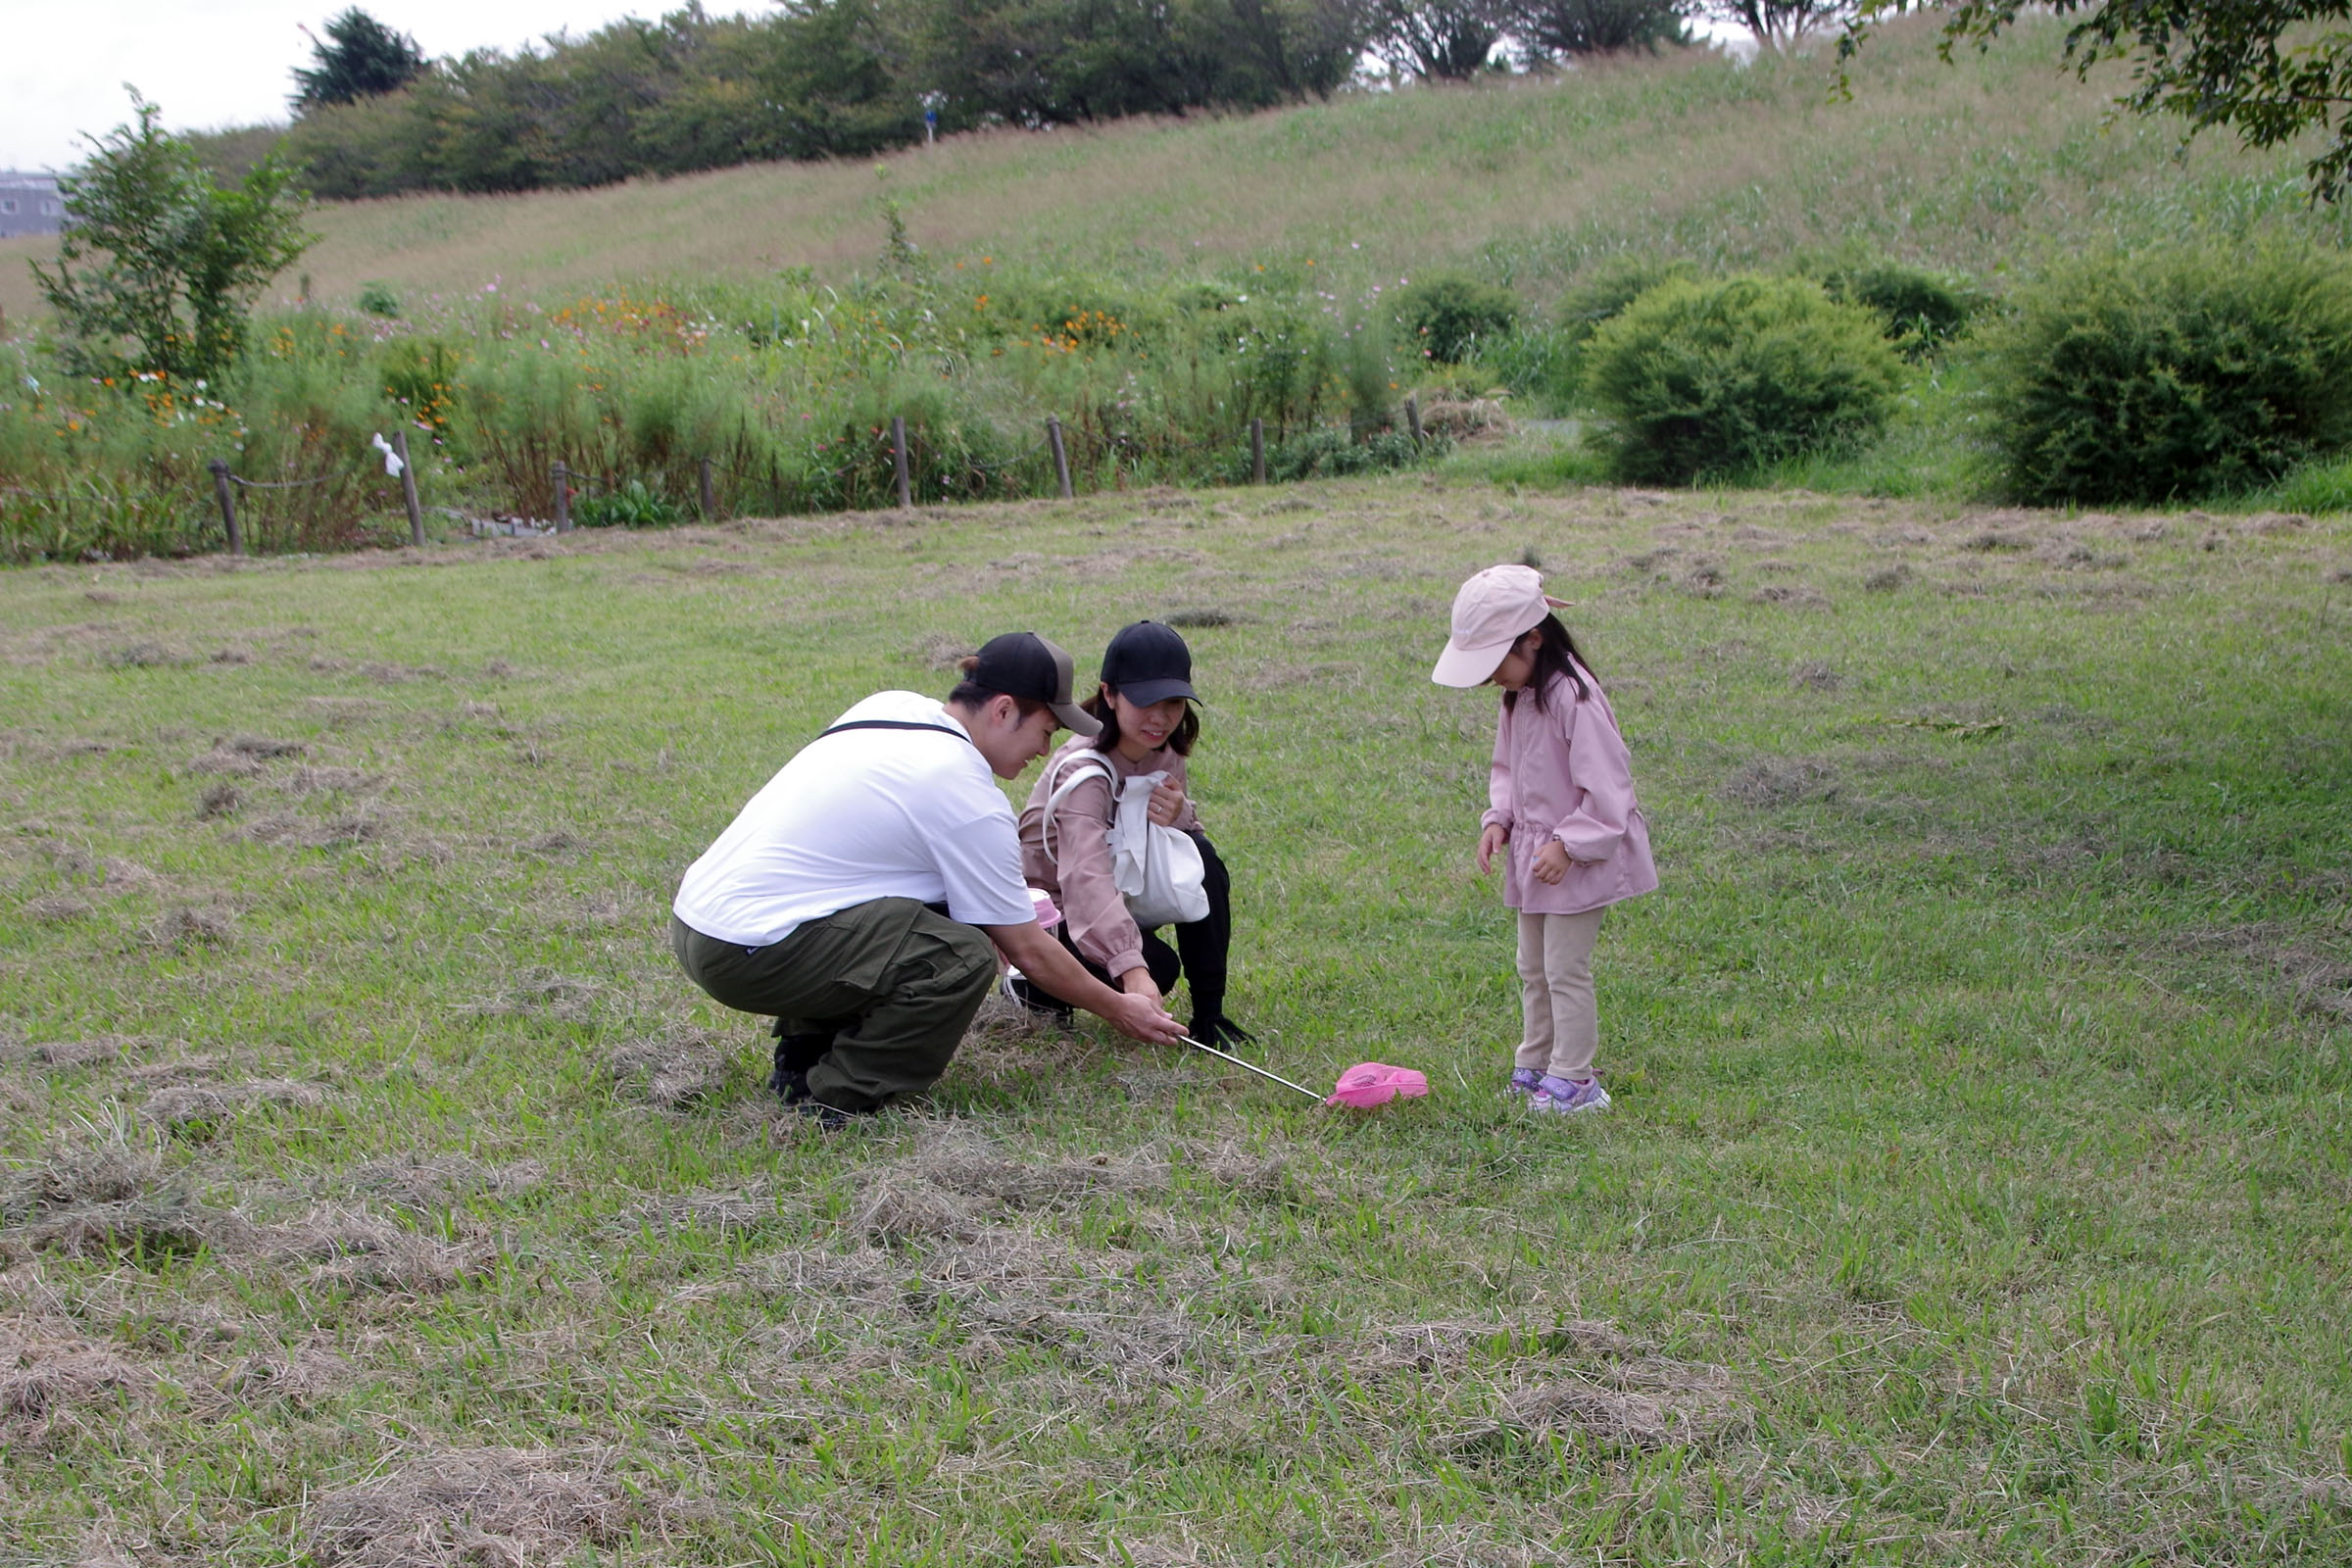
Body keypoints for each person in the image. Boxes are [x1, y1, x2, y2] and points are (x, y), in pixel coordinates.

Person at [669, 631, 1186, 1127]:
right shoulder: (965, 792)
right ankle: (836, 1098)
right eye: (1046, 731)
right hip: (748, 951)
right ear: (1004, 710)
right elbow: (1028, 951)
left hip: (700, 922)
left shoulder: (889, 707)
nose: (1043, 749)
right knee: (960, 957)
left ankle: (803, 1058)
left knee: (924, 921)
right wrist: (1119, 1009)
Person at [1432, 565, 1657, 1115]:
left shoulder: (1574, 698)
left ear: (1533, 638)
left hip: (1580, 859)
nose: (1491, 679)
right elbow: (1508, 766)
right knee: (1532, 965)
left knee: (1564, 968)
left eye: (1495, 664)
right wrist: (1499, 819)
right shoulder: (1521, 694)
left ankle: (1576, 1078)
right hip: (1536, 858)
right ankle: (1535, 1060)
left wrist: (1568, 843)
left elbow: (1609, 788)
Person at [1012, 620, 1253, 1047]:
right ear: (1109, 694)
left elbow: (1177, 850)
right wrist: (1132, 968)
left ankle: (1210, 1014)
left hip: (1125, 885)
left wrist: (1179, 814)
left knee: (1203, 856)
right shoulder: (1083, 773)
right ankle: (1029, 984)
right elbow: (1085, 881)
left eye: (1173, 702)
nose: (1160, 718)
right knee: (1157, 967)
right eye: (1145, 702)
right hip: (1056, 914)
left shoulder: (1164, 750)